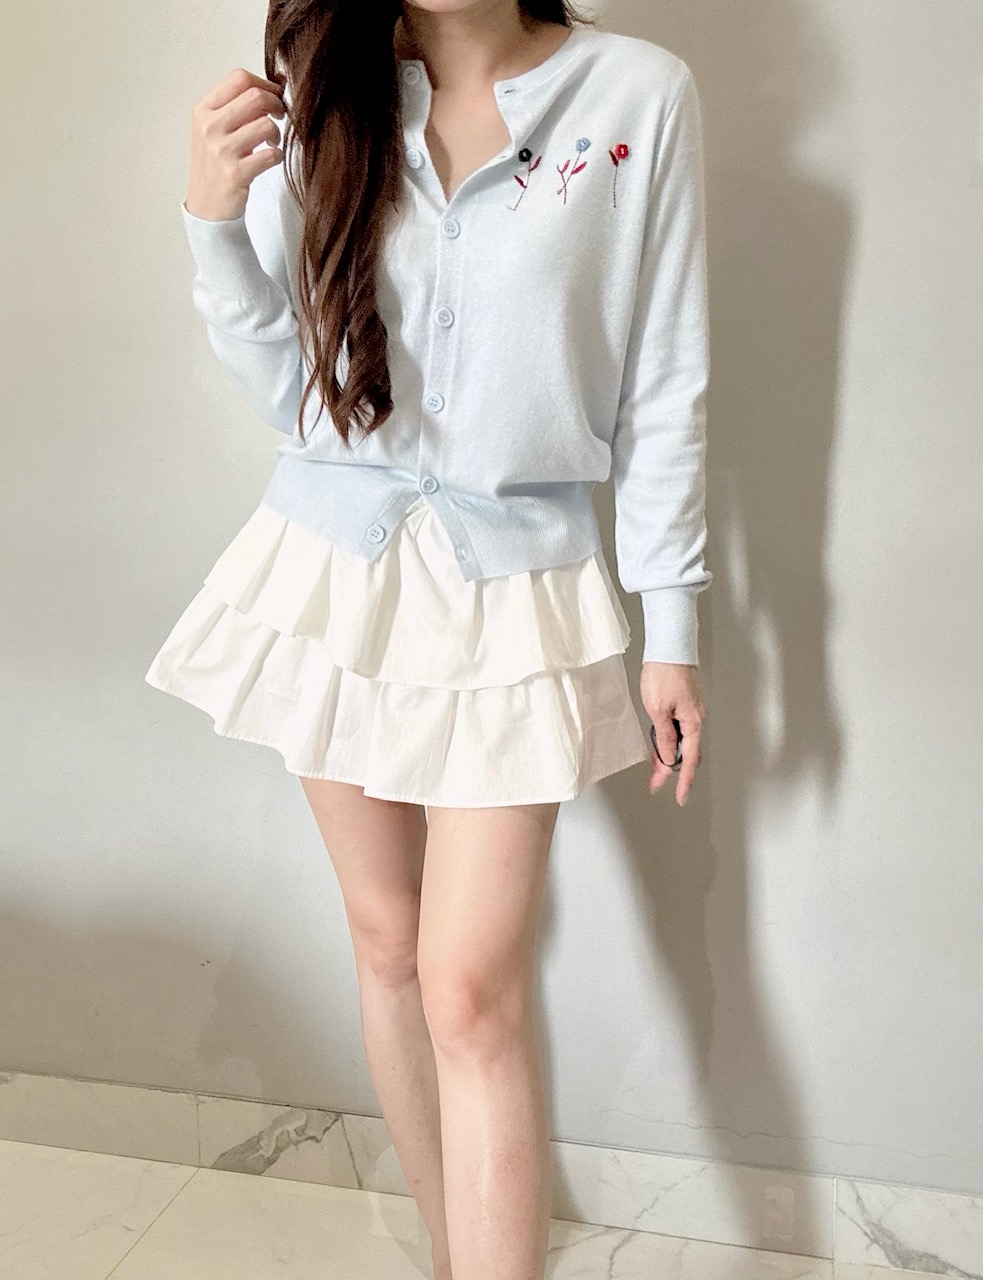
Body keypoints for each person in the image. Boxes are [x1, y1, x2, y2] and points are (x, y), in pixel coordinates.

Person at [145, 3, 711, 1276]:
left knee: (469, 982)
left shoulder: (636, 96)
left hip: (518, 586)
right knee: (389, 944)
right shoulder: (327, 100)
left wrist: (668, 621)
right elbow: (298, 397)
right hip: (333, 578)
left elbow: (664, 383)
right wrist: (212, 223)